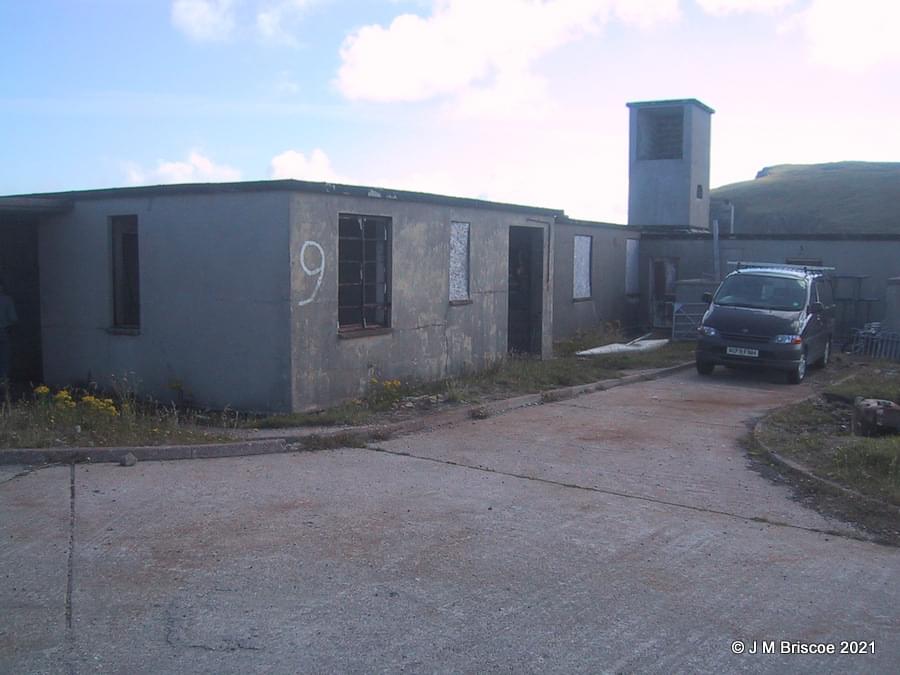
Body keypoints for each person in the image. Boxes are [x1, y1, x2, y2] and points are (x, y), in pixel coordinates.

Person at [0, 280, 17, 383]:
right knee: (5, 359)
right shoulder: (7, 299)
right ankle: (4, 384)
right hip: (4, 331)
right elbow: (13, 319)